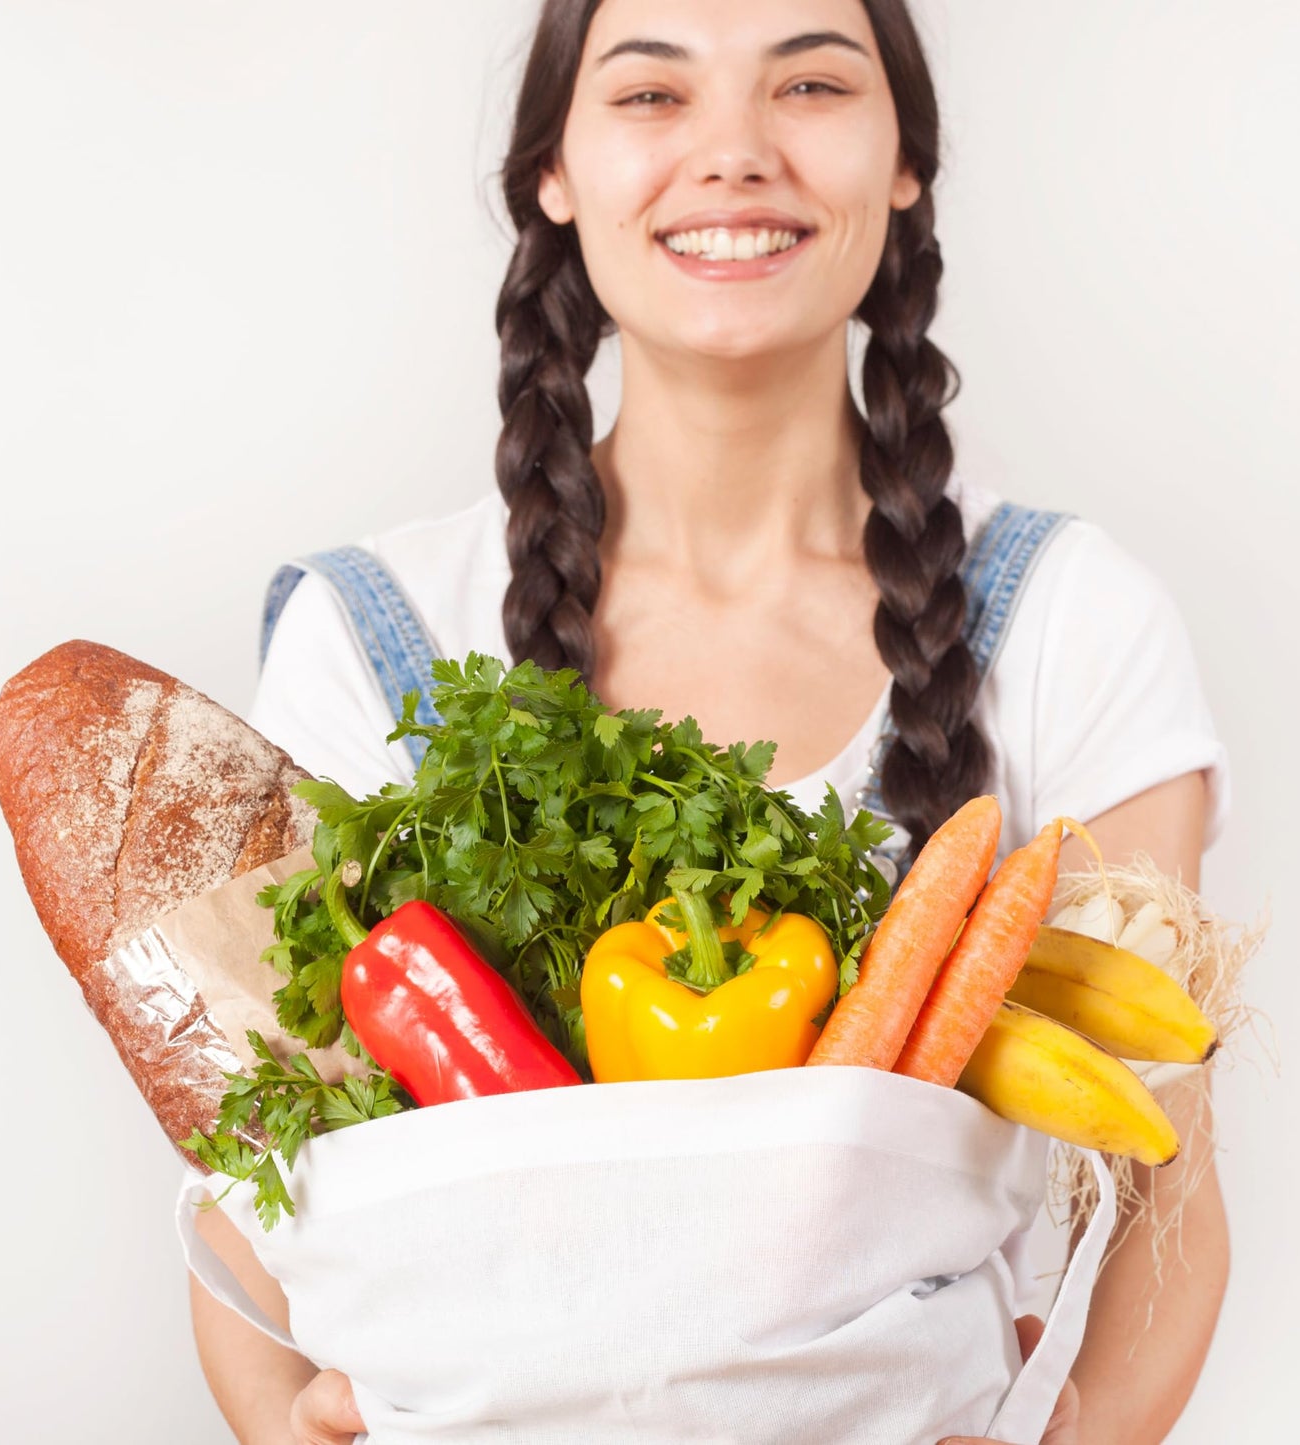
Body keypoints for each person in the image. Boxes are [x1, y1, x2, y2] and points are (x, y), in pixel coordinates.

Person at [188, 1, 1231, 1440]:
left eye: (808, 81)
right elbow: (256, 1176)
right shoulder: (376, 638)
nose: (734, 153)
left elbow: (1162, 1182)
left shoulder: (1063, 619)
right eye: (650, 96)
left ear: (904, 160)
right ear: (552, 169)